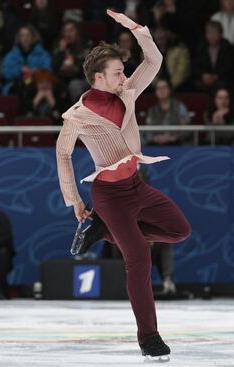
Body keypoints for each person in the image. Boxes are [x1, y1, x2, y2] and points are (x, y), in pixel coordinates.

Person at [56, 10, 190, 361]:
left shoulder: (128, 91)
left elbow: (155, 58)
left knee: (179, 230)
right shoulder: (77, 115)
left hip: (137, 185)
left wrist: (136, 28)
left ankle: (104, 231)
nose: (124, 76)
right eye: (118, 72)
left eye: (124, 71)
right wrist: (74, 200)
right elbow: (63, 154)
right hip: (109, 195)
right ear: (99, 77)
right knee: (139, 257)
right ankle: (149, 337)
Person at [145, 78, 191, 146]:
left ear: (169, 90)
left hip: (176, 145)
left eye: (164, 87)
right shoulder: (152, 111)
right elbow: (147, 133)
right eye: (158, 88)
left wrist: (173, 138)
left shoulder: (180, 107)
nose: (161, 91)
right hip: (156, 145)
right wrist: (155, 138)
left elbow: (186, 130)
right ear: (156, 92)